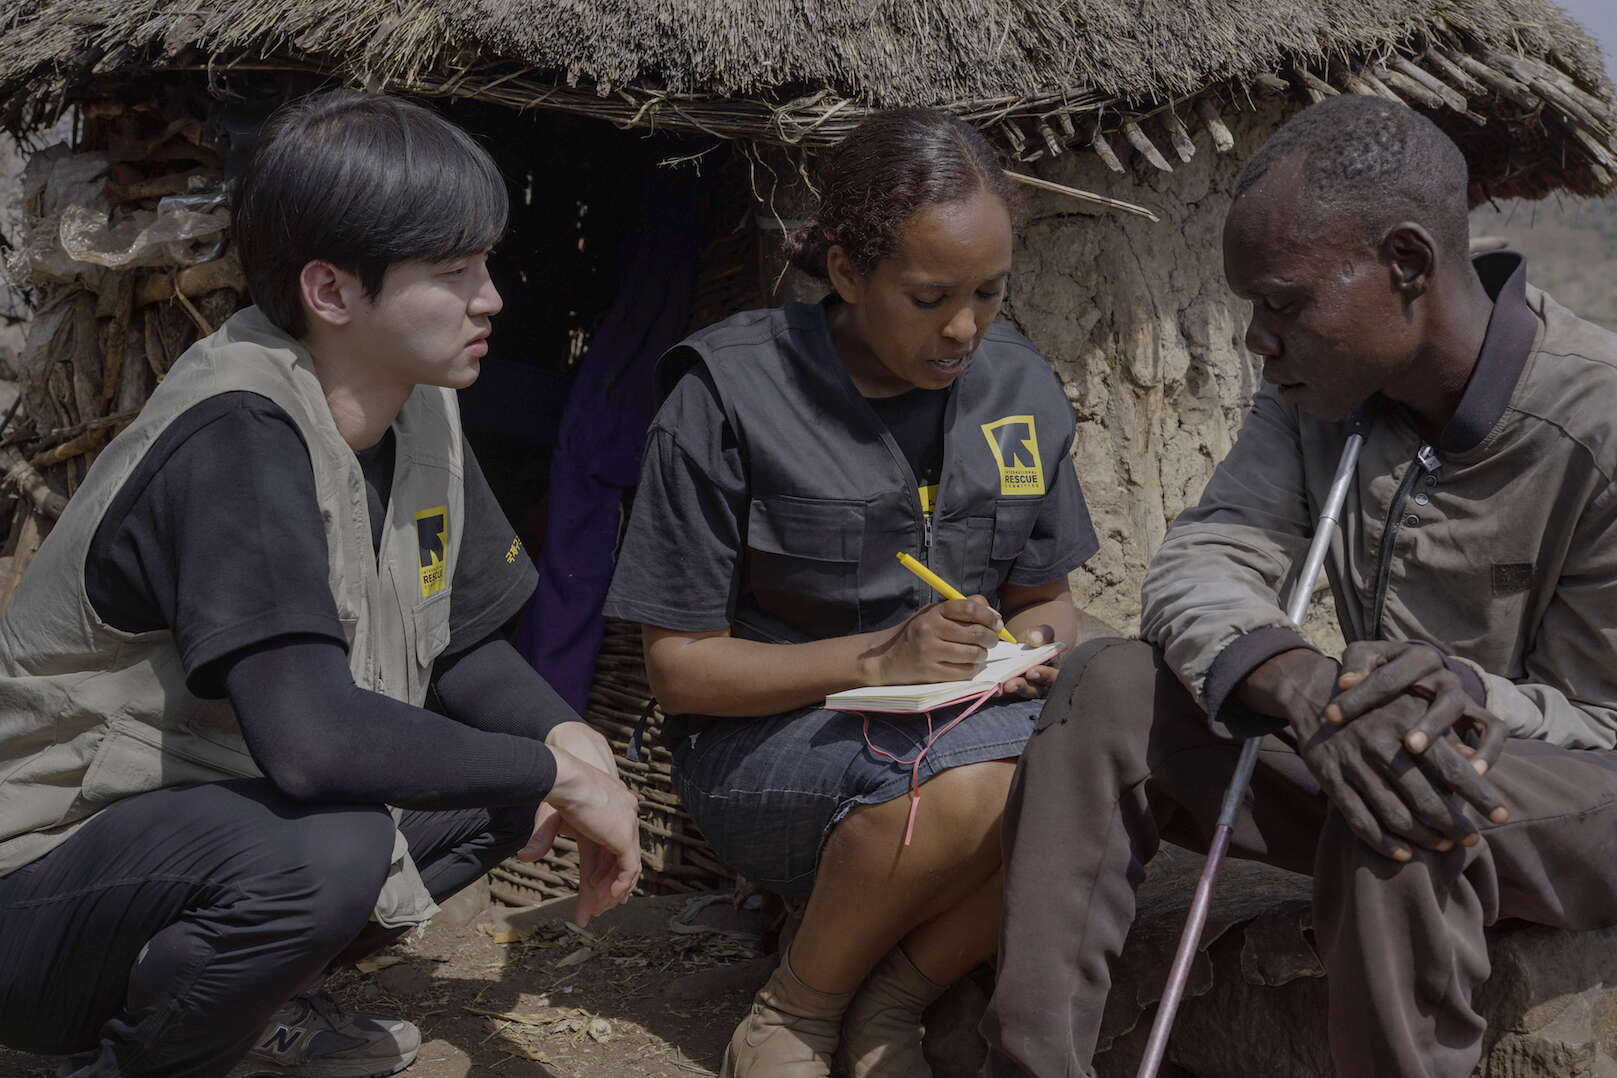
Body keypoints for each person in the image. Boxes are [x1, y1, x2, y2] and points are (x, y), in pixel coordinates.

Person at [0, 90, 641, 1078]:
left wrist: (566, 741)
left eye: (485, 264)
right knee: (329, 849)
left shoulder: (416, 405)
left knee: (503, 788)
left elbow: (463, 645)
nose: (491, 299)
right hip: (43, 877)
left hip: (194, 817)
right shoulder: (237, 433)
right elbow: (310, 743)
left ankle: (248, 1009)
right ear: (332, 291)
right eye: (452, 272)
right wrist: (552, 773)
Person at [983, 93, 1617, 1077]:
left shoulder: (1598, 427)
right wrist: (1306, 686)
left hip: (1583, 797)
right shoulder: (1326, 392)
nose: (1255, 338)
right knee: (1106, 684)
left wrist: (1448, 701)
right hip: (1402, 754)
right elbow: (1206, 558)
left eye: (1281, 303)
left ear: (1406, 263)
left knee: (1404, 781)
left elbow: (1603, 719)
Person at [603, 108, 1113, 1078]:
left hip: (970, 730)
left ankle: (897, 995)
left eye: (989, 293)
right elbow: (680, 672)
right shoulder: (726, 398)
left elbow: (1046, 598)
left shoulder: (1020, 390)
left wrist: (1030, 651)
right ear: (845, 272)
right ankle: (794, 1010)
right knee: (990, 782)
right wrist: (881, 660)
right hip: (767, 751)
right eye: (929, 297)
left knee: (1117, 751)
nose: (964, 328)